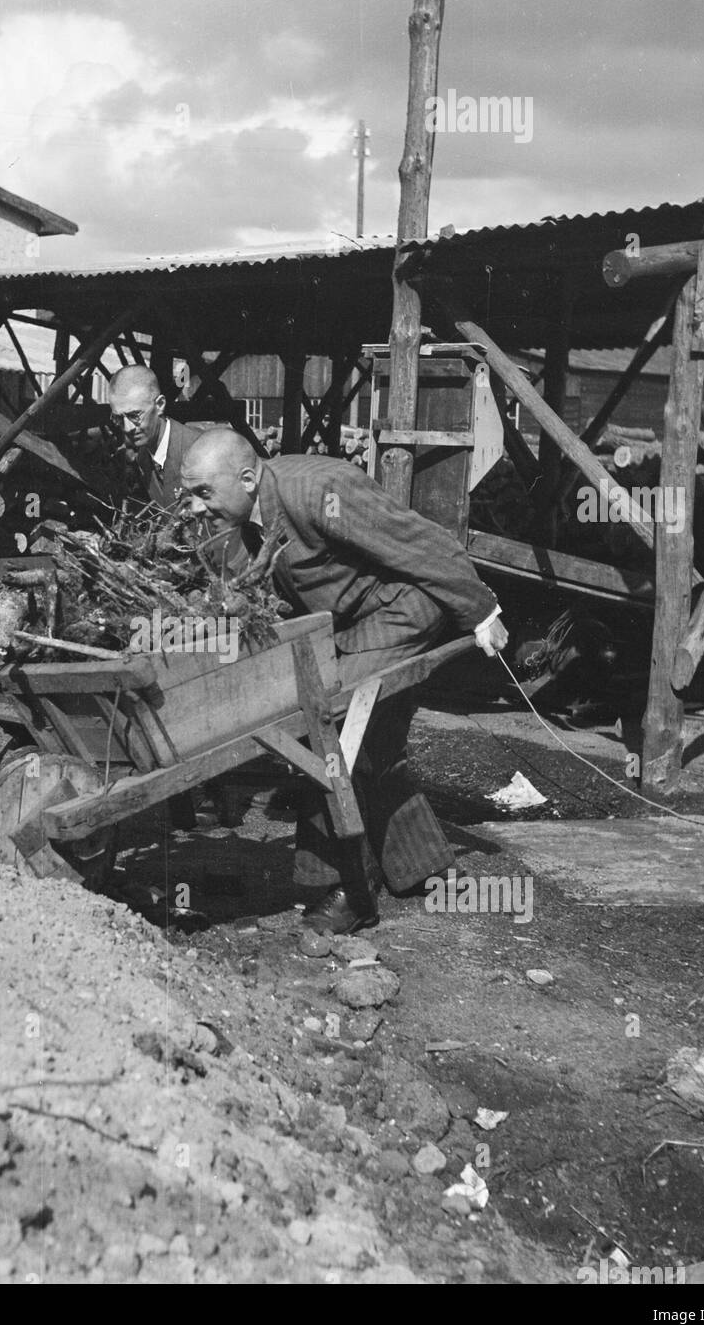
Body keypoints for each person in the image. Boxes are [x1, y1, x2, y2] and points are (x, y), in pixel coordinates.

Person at [178, 429, 509, 935]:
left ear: (247, 479)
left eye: (204, 492)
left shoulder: (320, 489)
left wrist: (481, 611)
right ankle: (422, 868)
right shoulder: (245, 517)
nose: (196, 507)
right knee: (376, 740)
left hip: (403, 610)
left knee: (326, 722)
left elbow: (420, 543)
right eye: (189, 494)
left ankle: (348, 891)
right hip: (349, 625)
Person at [108, 365, 201, 509]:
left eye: (135, 416)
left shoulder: (200, 451)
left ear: (160, 405)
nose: (127, 428)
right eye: (119, 418)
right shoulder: (143, 457)